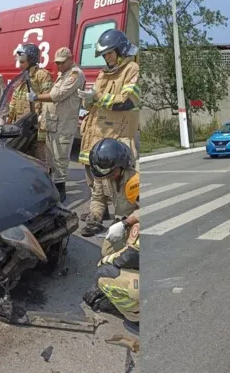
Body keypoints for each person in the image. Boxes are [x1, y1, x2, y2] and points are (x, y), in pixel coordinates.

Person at [77, 29, 139, 236]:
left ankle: (124, 222)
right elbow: (96, 100)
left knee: (121, 188)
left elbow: (127, 101)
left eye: (110, 53)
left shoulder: (132, 69)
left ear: (120, 50)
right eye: (104, 55)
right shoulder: (104, 73)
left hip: (118, 138)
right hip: (97, 136)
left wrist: (98, 96)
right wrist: (87, 99)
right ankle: (96, 216)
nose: (107, 58)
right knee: (98, 184)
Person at [82, 138, 139, 329]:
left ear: (121, 167)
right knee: (108, 252)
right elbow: (98, 198)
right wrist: (95, 218)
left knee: (127, 256)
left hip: (136, 220)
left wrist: (127, 223)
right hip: (122, 221)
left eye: (112, 173)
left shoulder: (136, 177)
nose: (109, 178)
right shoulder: (103, 175)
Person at [30, 47, 83, 202]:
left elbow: (57, 96)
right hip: (55, 123)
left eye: (61, 62)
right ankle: (54, 188)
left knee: (60, 158)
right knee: (51, 157)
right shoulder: (63, 74)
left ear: (70, 59)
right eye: (57, 63)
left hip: (64, 124)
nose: (58, 66)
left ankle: (61, 193)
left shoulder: (75, 75)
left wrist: (36, 97)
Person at [7, 44, 53, 159]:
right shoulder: (23, 76)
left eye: (22, 62)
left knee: (38, 156)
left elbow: (49, 99)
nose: (19, 65)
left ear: (31, 60)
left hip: (35, 125)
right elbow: (15, 97)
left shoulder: (42, 75)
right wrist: (9, 118)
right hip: (22, 123)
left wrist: (41, 119)